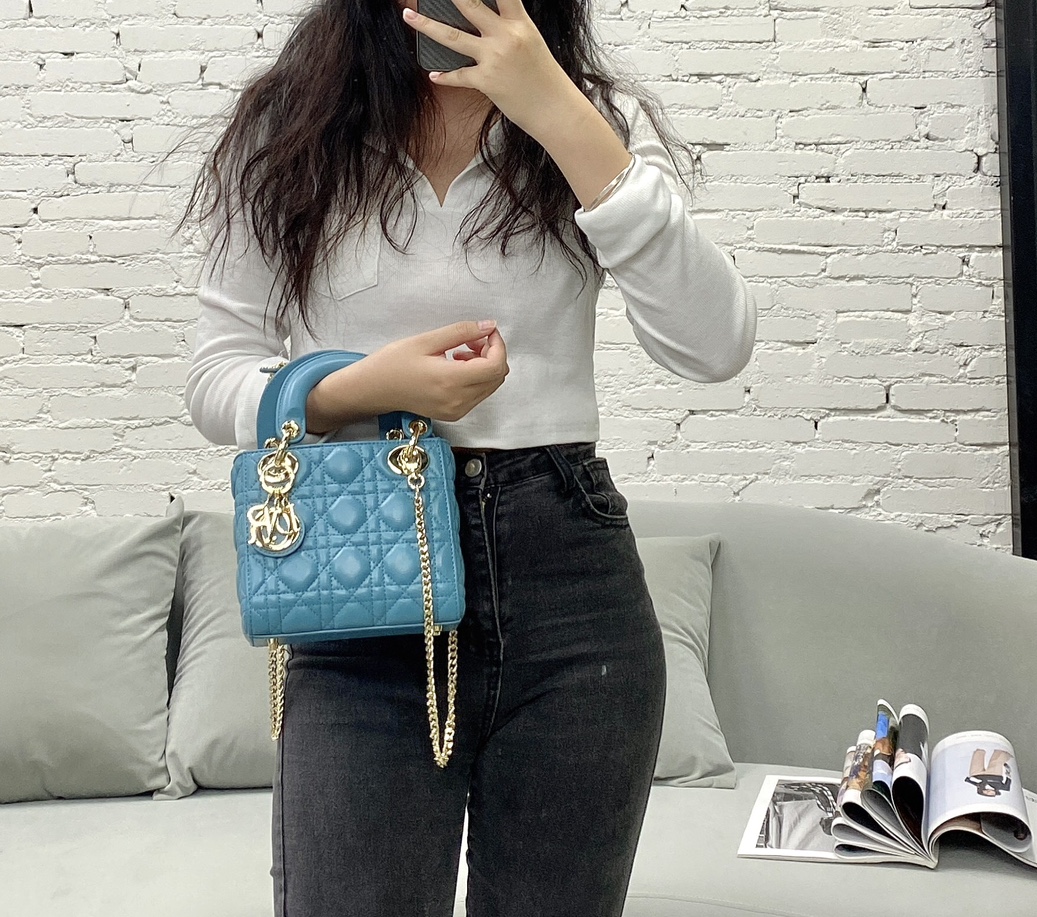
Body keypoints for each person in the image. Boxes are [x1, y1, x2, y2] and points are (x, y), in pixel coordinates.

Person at [182, 1, 756, 915]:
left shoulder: (586, 119)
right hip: (362, 585)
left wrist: (556, 110)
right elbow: (215, 375)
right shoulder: (293, 126)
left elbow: (714, 344)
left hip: (571, 591)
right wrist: (359, 388)